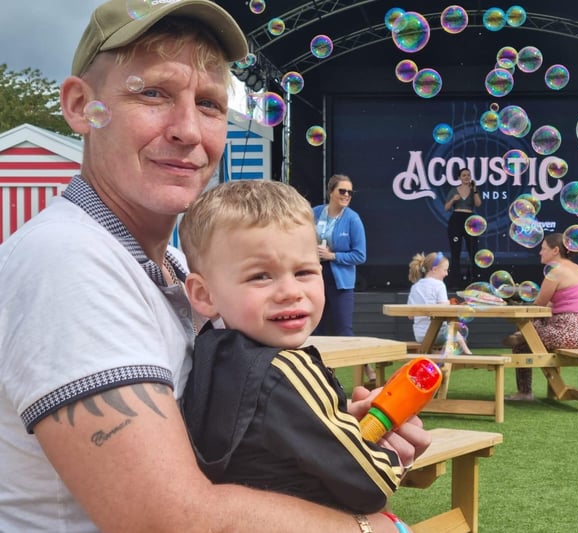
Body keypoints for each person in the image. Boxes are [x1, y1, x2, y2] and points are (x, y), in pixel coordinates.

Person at [0, 2, 428, 531]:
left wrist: (317, 436)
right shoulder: (67, 261)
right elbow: (167, 519)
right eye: (152, 93)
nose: (187, 130)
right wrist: (375, 529)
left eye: (209, 103)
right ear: (79, 105)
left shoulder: (175, 268)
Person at [179, 180, 406, 516]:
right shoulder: (286, 371)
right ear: (203, 295)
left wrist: (338, 423)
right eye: (260, 276)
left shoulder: (212, 353)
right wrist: (394, 456)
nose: (290, 291)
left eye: (303, 271)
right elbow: (372, 482)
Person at [504, 232, 578, 401]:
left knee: (523, 338)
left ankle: (525, 392)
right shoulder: (575, 268)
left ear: (555, 250)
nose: (540, 252)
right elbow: (550, 305)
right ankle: (519, 337)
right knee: (525, 336)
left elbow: (539, 305)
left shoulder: (555, 271)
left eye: (543, 248)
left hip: (567, 330)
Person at [313, 174, 375, 383]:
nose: (347, 195)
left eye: (350, 192)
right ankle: (319, 376)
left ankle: (368, 369)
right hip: (315, 277)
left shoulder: (352, 218)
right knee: (316, 328)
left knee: (343, 328)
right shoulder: (314, 213)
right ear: (330, 192)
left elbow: (360, 255)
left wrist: (332, 256)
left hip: (340, 280)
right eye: (342, 191)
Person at [407, 251, 472, 354]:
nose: (446, 274)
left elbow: (410, 315)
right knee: (458, 335)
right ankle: (468, 354)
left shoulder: (415, 287)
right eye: (445, 270)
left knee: (454, 335)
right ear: (434, 269)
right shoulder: (439, 285)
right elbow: (443, 309)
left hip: (419, 335)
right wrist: (451, 305)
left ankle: (437, 355)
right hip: (438, 333)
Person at [443, 167, 482, 288]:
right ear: (459, 177)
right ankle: (455, 281)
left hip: (470, 219)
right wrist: (453, 200)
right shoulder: (454, 190)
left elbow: (478, 204)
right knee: (456, 252)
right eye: (464, 175)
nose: (466, 177)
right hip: (456, 219)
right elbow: (446, 207)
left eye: (468, 175)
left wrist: (474, 190)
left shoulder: (473, 189)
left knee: (473, 250)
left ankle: (473, 280)